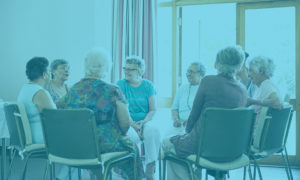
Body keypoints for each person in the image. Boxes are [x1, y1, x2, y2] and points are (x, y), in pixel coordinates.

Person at [162, 45, 248, 180]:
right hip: (232, 150)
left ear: (216, 64)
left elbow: (193, 116)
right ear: (240, 65)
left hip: (204, 147)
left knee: (167, 146)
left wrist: (187, 133)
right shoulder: (243, 90)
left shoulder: (208, 81)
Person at [57, 48, 143, 180]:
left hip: (75, 144)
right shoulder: (113, 90)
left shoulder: (74, 89)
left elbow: (58, 105)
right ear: (106, 67)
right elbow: (125, 125)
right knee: (133, 148)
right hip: (103, 144)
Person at [117, 56, 160, 180]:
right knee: (130, 137)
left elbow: (153, 109)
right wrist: (133, 125)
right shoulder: (121, 84)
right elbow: (121, 110)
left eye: (131, 69)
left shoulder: (148, 85)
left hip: (144, 121)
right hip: (127, 121)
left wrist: (143, 122)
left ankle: (150, 168)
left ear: (140, 71)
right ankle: (132, 172)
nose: (127, 71)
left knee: (153, 131)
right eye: (125, 68)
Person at [18, 57, 56, 143]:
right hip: (43, 137)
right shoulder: (40, 92)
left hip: (32, 134)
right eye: (49, 72)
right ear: (44, 74)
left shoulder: (25, 88)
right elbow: (54, 118)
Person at [169, 62, 206, 136]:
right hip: (180, 125)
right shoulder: (182, 88)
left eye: (191, 72)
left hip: (195, 126)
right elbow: (174, 108)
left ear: (200, 74)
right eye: (188, 71)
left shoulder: (204, 89)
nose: (188, 74)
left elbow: (204, 112)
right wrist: (176, 119)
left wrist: (191, 121)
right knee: (166, 140)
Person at [247, 56, 283, 127]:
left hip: (255, 135)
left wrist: (253, 101)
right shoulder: (261, 86)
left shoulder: (266, 85)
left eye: (250, 70)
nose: (248, 75)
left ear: (261, 71)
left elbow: (278, 103)